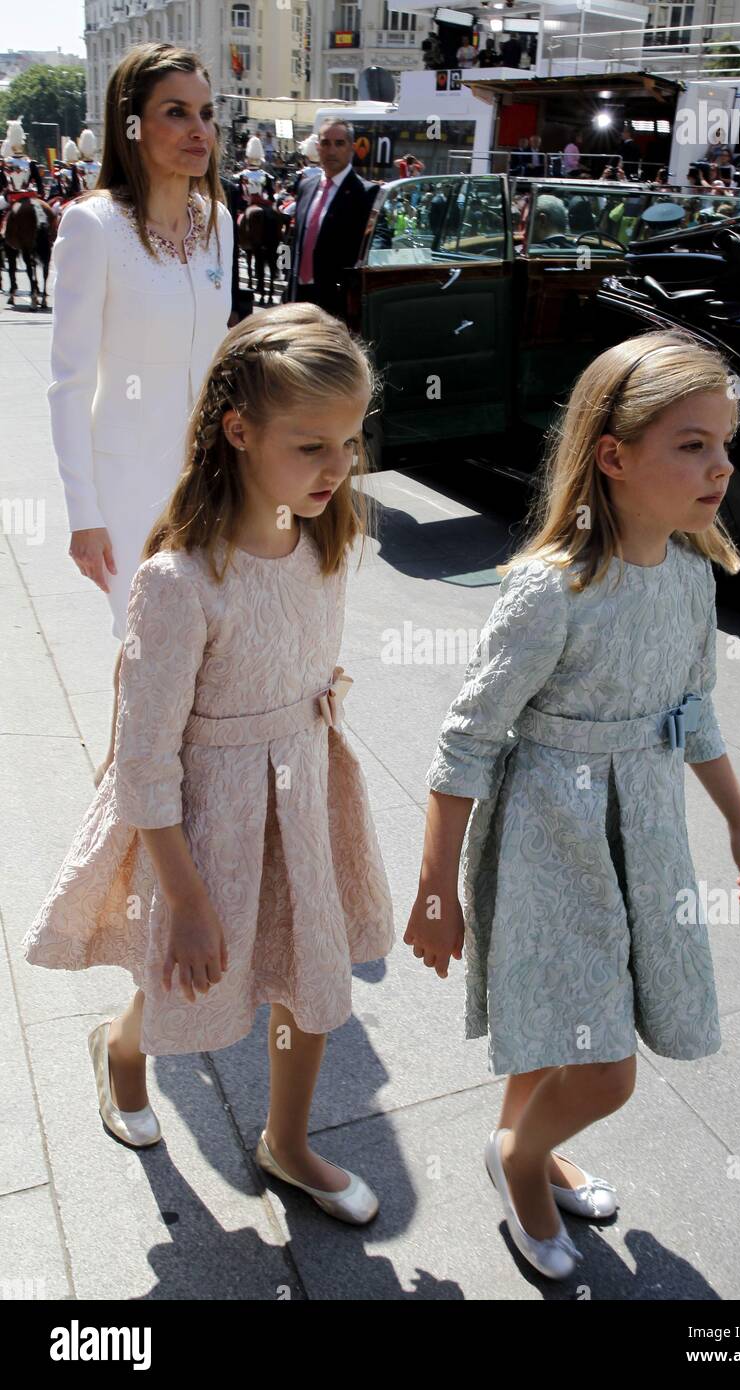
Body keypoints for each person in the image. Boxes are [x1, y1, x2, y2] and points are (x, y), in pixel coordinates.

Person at [404, 331, 740, 1281]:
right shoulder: (549, 590)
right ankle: (519, 1160)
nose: (719, 465)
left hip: (641, 831)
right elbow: (467, 740)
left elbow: (692, 711)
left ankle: (528, 1144)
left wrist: (736, 820)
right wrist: (435, 889)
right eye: (690, 444)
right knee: (603, 1064)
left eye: (725, 443)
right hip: (548, 837)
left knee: (563, 1022)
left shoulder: (690, 577)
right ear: (613, 456)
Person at [22, 303, 396, 1220]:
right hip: (206, 819)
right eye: (311, 446)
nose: (338, 468)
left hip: (302, 793)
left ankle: (291, 1144)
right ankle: (123, 1049)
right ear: (238, 430)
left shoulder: (324, 537)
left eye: (349, 443)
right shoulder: (179, 581)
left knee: (307, 976)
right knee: (192, 967)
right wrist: (184, 899)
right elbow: (146, 761)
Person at [47, 42, 233, 788]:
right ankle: (127, 795)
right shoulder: (93, 227)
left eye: (207, 113)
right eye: (176, 113)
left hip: (213, 475)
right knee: (144, 638)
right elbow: (68, 381)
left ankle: (174, 786)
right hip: (127, 483)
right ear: (131, 126)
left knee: (208, 640)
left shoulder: (218, 221)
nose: (200, 130)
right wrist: (82, 512)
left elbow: (220, 361)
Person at [282, 118, 377, 320]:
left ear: (351, 148)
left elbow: (371, 249)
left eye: (339, 143)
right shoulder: (306, 186)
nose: (331, 150)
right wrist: (288, 286)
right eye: (325, 143)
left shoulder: (366, 194)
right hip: (298, 296)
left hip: (335, 304)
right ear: (318, 147)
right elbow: (296, 242)